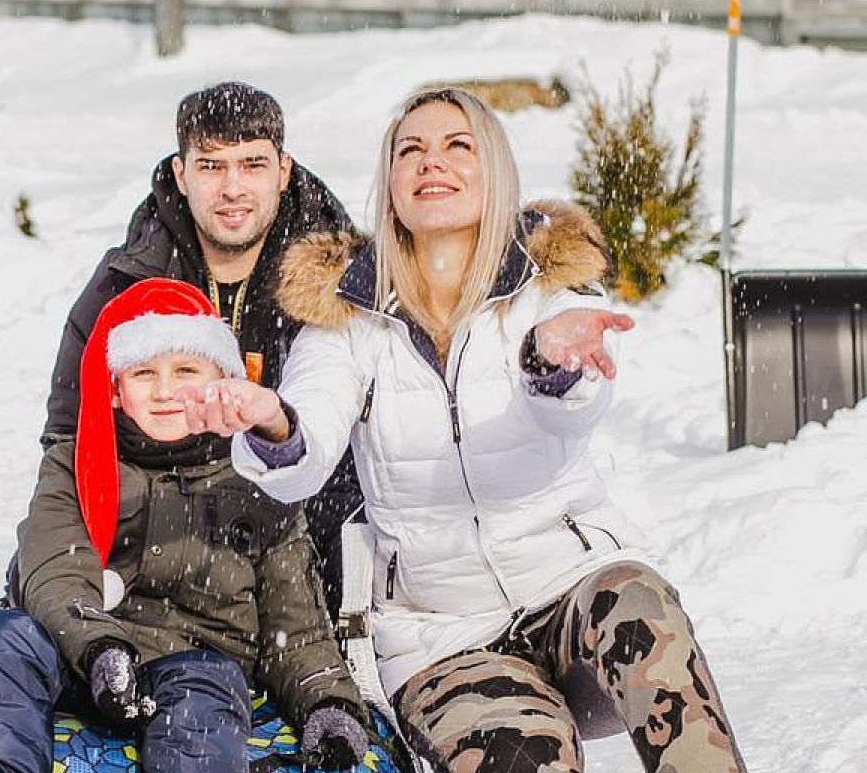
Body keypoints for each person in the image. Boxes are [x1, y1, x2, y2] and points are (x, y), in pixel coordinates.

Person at [178, 87, 748, 773]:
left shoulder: (545, 285)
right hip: (443, 632)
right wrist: (271, 420)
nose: (431, 162)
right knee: (519, 757)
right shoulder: (350, 318)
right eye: (410, 150)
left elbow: (576, 401)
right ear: (390, 185)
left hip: (573, 588)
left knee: (643, 610)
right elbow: (310, 438)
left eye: (457, 145)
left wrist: (549, 358)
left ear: (494, 171)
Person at [0, 279, 371, 773]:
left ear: (221, 379)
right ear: (116, 390)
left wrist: (328, 703)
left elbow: (295, 626)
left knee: (207, 697)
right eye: (144, 373)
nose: (165, 391)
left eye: (186, 370)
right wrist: (98, 648)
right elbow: (54, 572)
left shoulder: (257, 481)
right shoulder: (75, 464)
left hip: (196, 662)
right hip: (81, 649)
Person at [38, 80, 362, 613]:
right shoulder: (127, 284)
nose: (232, 188)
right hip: (165, 536)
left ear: (284, 171)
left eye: (252, 165)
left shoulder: (336, 283)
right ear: (180, 174)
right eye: (212, 166)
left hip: (302, 533)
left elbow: (357, 444)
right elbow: (69, 436)